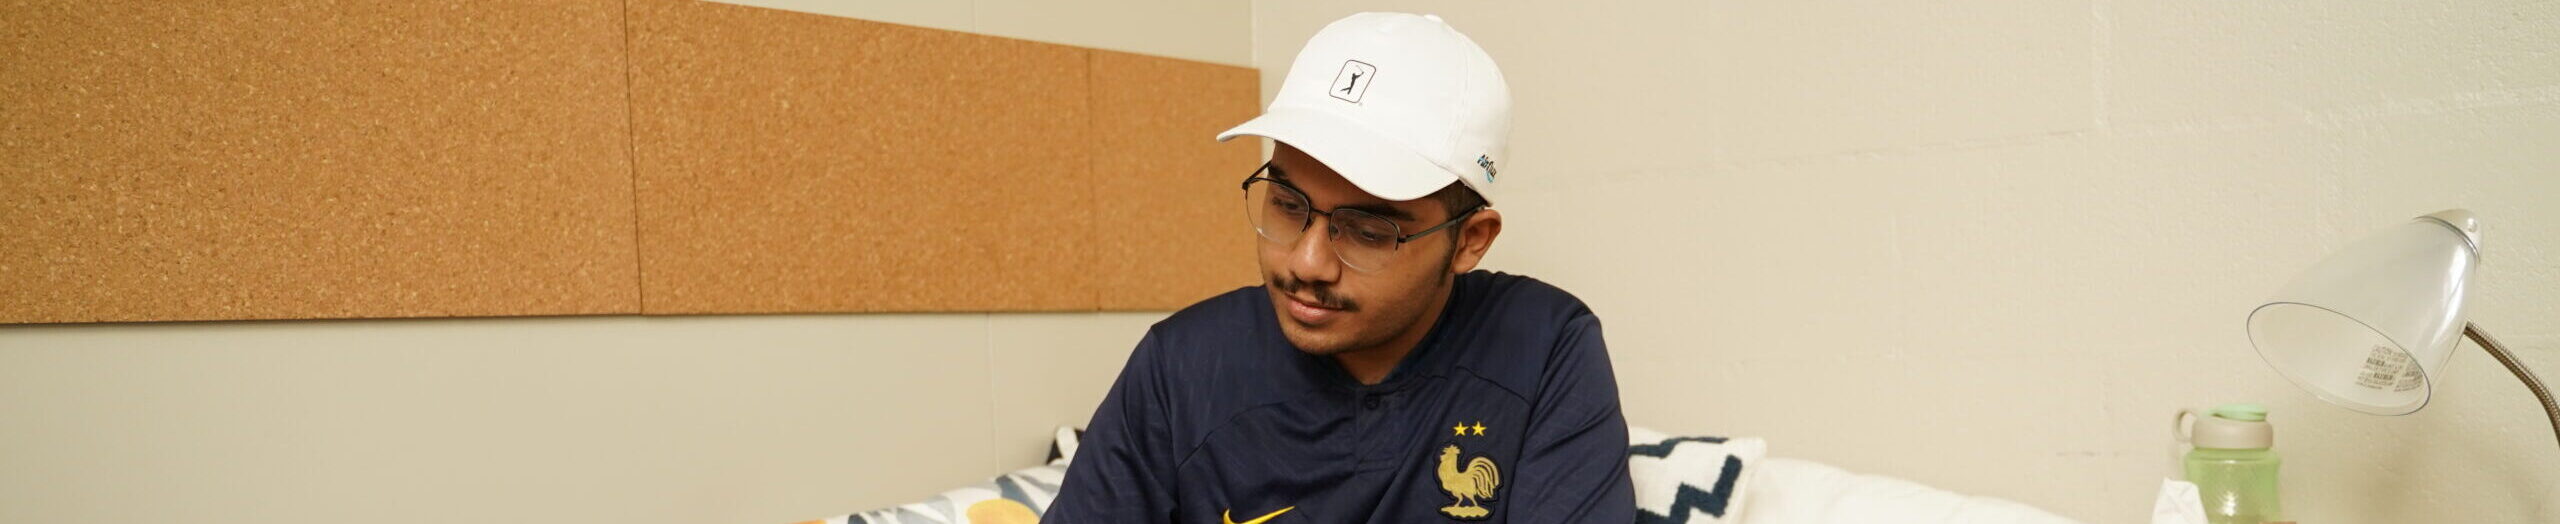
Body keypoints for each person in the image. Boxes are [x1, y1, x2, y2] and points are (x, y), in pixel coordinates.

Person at [1043, 12, 1634, 523]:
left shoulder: (1543, 347)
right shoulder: (1183, 367)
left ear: (1469, 242)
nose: (1307, 263)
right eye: (1285, 204)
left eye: (1371, 231)